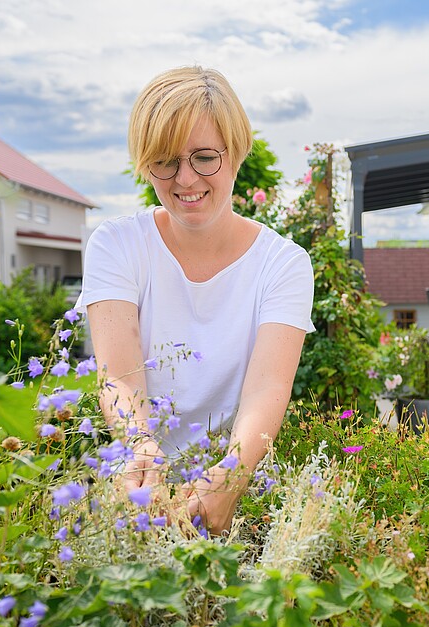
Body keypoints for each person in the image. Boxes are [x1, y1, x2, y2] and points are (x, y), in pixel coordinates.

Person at [76, 66, 315, 535]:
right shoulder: (117, 245)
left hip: (237, 485)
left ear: (236, 153)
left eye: (205, 157)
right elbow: (119, 378)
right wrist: (141, 446)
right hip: (138, 480)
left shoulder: (283, 264)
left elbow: (267, 388)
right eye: (165, 160)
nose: (185, 180)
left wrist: (232, 473)